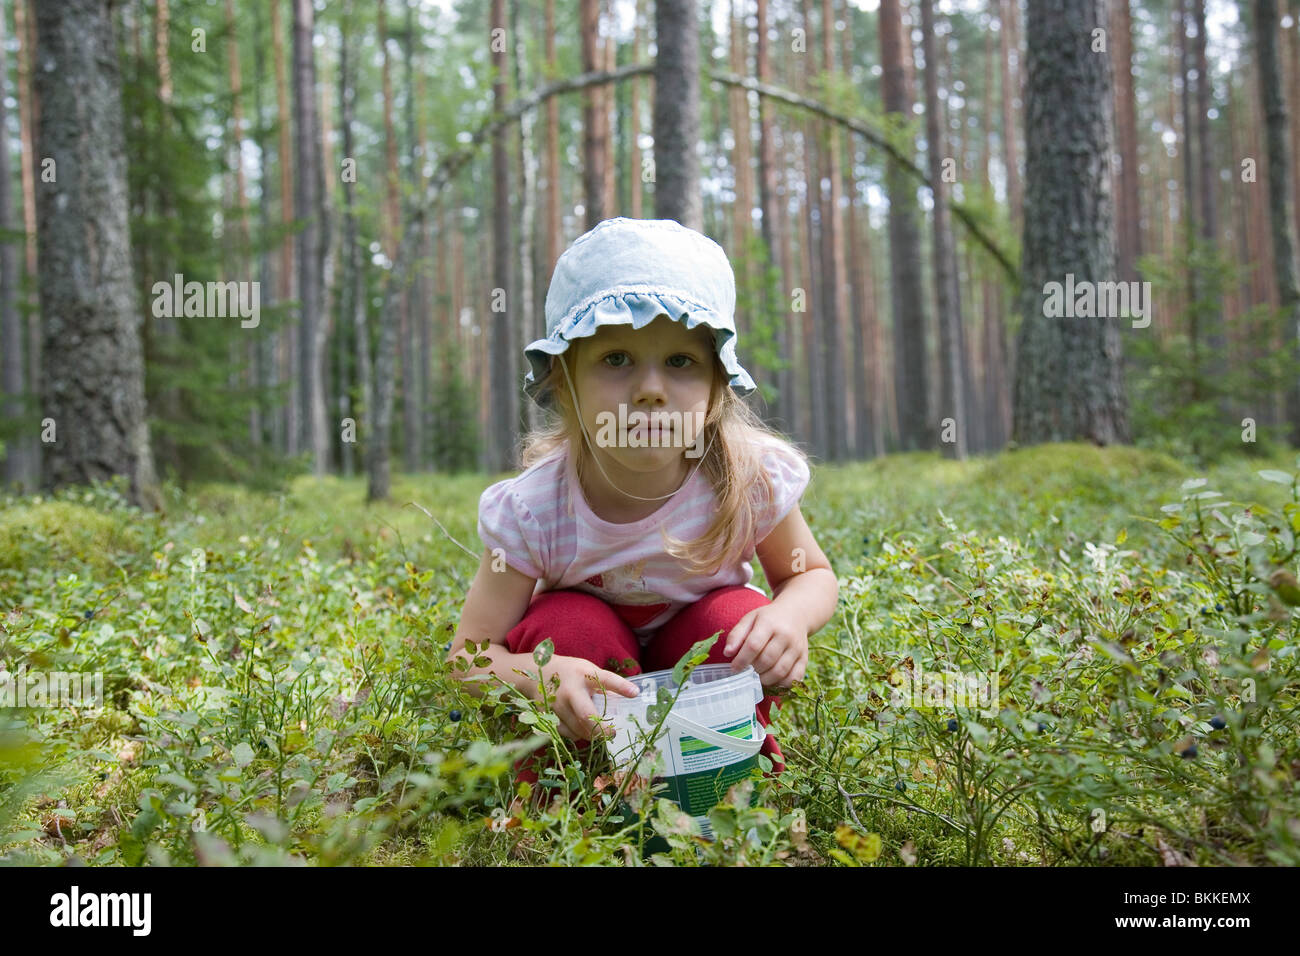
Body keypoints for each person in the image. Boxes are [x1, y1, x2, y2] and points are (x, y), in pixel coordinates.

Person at [447, 217, 838, 798]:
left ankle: (722, 789)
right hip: (594, 685)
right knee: (566, 626)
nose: (650, 388)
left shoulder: (744, 478)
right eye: (617, 358)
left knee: (733, 620)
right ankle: (571, 796)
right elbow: (468, 660)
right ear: (566, 377)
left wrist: (790, 618)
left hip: (701, 673)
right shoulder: (535, 509)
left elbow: (811, 576)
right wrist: (540, 676)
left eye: (681, 361)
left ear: (716, 387)